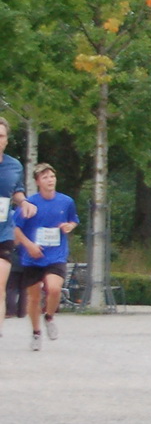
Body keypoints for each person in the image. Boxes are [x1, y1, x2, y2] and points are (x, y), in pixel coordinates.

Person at [13, 162, 77, 351]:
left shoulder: (66, 201)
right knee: (33, 298)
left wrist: (69, 227)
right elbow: (15, 229)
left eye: (52, 176)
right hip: (33, 257)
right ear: (37, 182)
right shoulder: (30, 204)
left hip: (56, 254)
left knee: (54, 288)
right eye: (45, 177)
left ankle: (49, 316)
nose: (50, 180)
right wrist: (29, 245)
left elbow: (73, 220)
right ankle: (36, 332)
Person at [0, 117, 33, 337]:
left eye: (1, 136)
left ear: (7, 140)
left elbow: (17, 192)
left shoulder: (14, 166)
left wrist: (24, 202)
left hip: (3, 233)